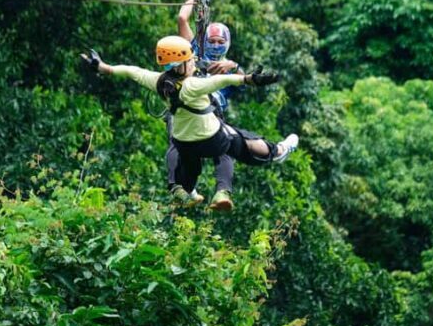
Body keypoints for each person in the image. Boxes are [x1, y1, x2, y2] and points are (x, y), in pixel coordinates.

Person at [81, 37, 298, 211]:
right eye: (191, 60)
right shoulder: (193, 85)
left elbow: (132, 71)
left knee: (191, 163)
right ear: (181, 64)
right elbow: (222, 80)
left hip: (183, 142)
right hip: (211, 139)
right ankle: (230, 187)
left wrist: (101, 67)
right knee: (233, 144)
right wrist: (249, 78)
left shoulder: (157, 81)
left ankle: (184, 192)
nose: (194, 61)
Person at [164, 0, 241, 208]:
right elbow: (182, 18)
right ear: (205, 40)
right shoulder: (194, 51)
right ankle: (179, 188)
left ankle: (221, 193)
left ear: (227, 44)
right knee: (179, 145)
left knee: (223, 150)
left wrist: (232, 66)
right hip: (184, 106)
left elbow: (245, 79)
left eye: (220, 42)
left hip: (210, 111)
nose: (215, 45)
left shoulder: (229, 67)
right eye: (212, 41)